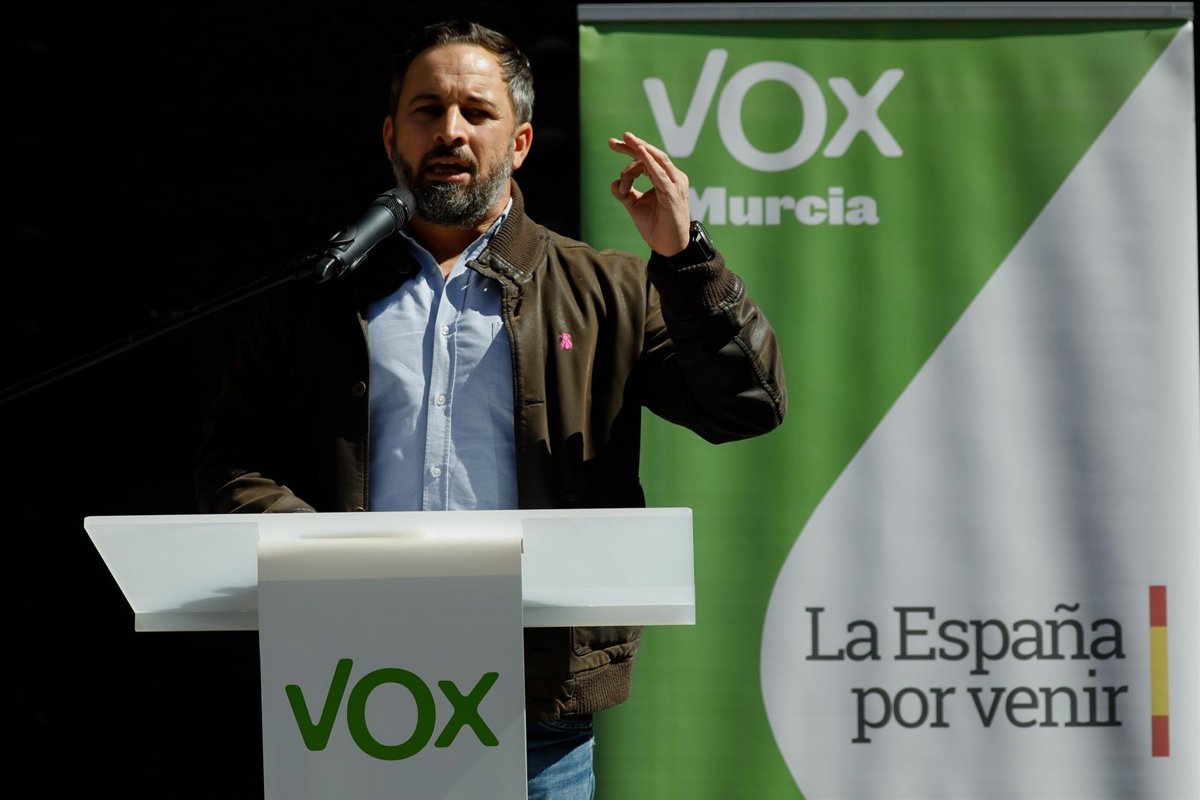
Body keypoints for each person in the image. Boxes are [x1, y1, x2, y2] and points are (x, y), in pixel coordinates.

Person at [194, 19, 786, 800]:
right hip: (349, 687)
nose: (451, 131)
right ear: (390, 135)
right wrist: (317, 551)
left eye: (477, 112)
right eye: (427, 109)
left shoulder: (607, 289)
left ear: (522, 141)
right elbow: (236, 458)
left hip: (534, 712)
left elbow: (745, 405)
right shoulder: (315, 299)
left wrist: (686, 261)